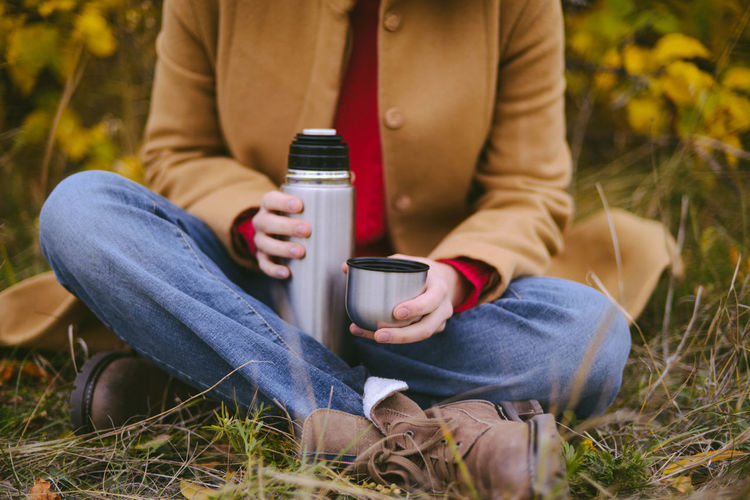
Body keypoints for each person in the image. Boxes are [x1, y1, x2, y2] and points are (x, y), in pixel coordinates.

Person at [35, 0, 644, 496]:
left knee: (593, 337)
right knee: (80, 211)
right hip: (247, 287)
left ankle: (205, 385)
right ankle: (420, 432)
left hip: (416, 320)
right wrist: (248, 218)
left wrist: (455, 275)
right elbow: (177, 154)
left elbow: (529, 189)